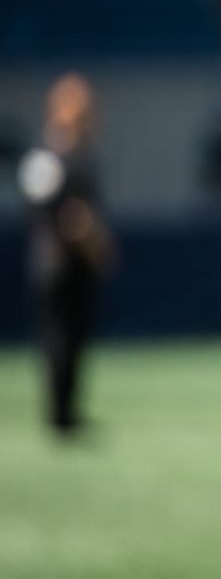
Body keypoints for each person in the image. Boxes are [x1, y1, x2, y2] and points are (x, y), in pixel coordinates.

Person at [17, 73, 115, 436]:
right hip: (56, 264)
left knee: (75, 338)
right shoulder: (50, 157)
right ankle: (59, 414)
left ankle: (67, 411)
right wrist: (96, 244)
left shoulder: (77, 157)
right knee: (58, 338)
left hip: (74, 266)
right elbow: (67, 216)